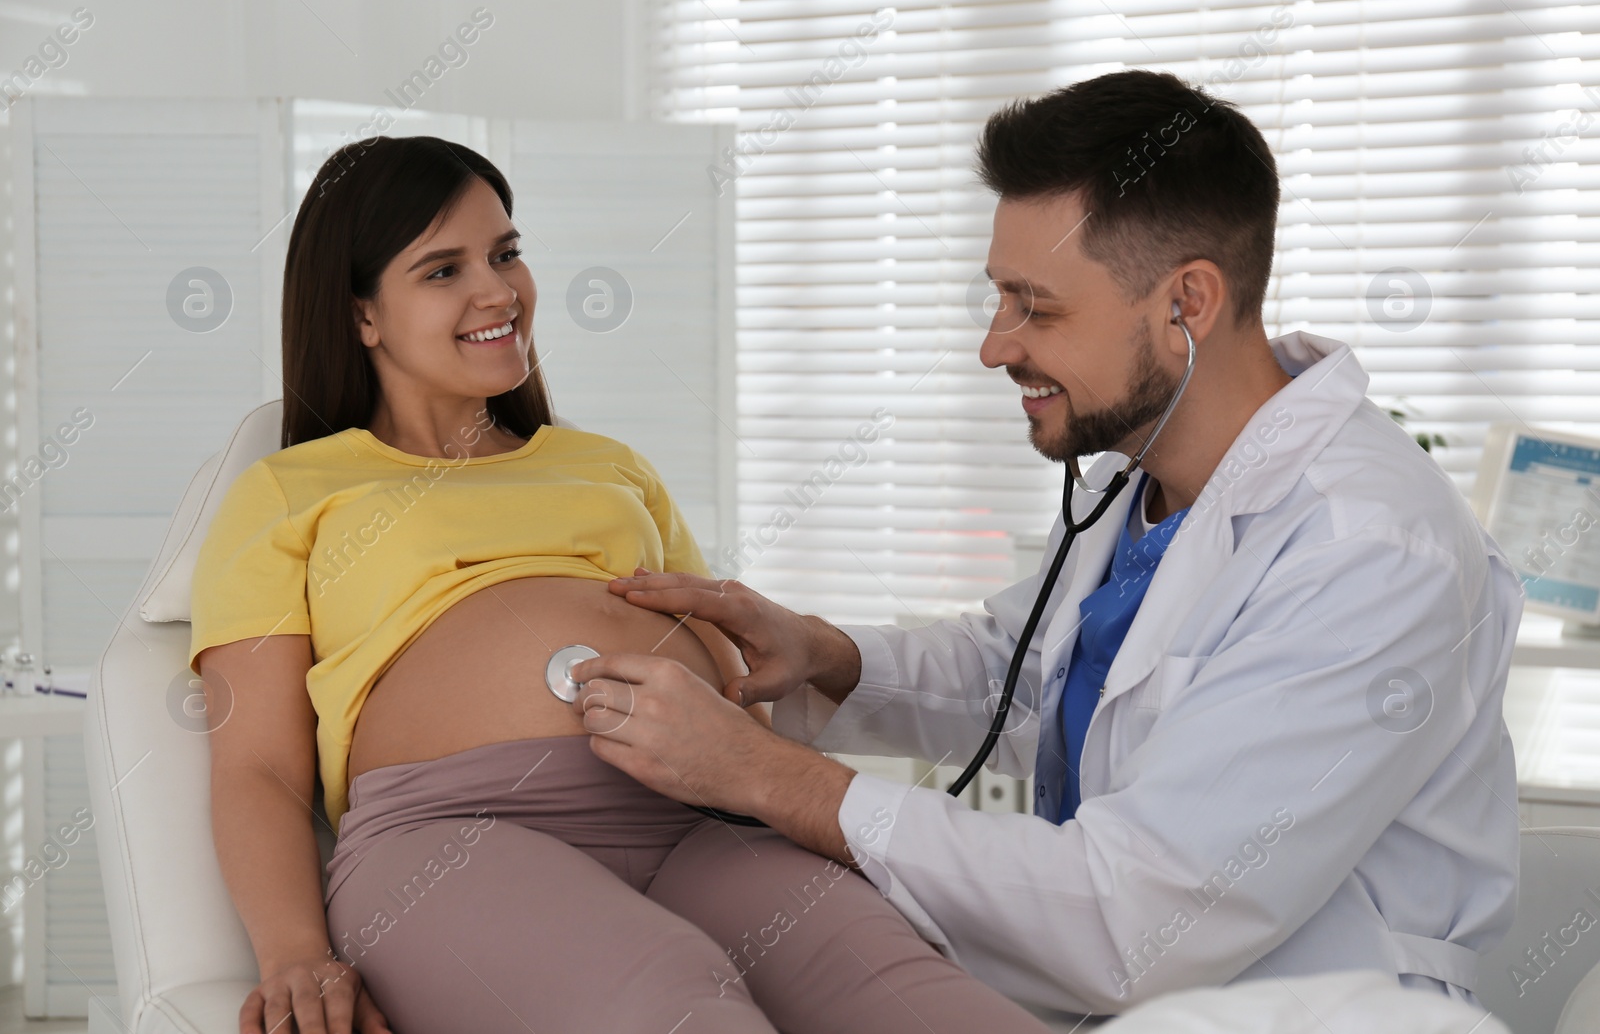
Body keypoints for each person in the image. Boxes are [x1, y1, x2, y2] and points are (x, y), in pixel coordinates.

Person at [570, 69, 1525, 1018]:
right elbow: (1022, 673)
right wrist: (828, 654)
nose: (995, 345)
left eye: (1038, 306)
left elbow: (1144, 910)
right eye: (1000, 297)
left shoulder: (1370, 549)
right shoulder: (1139, 483)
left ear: (1186, 305)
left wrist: (768, 775)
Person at [188, 135, 1057, 1034]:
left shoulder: (609, 466)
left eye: (507, 253)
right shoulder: (290, 491)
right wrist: (296, 951)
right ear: (363, 314)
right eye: (443, 270)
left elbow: (726, 661)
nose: (498, 291)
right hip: (451, 834)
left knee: (923, 999)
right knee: (676, 1002)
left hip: (692, 818)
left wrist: (781, 798)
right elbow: (255, 764)